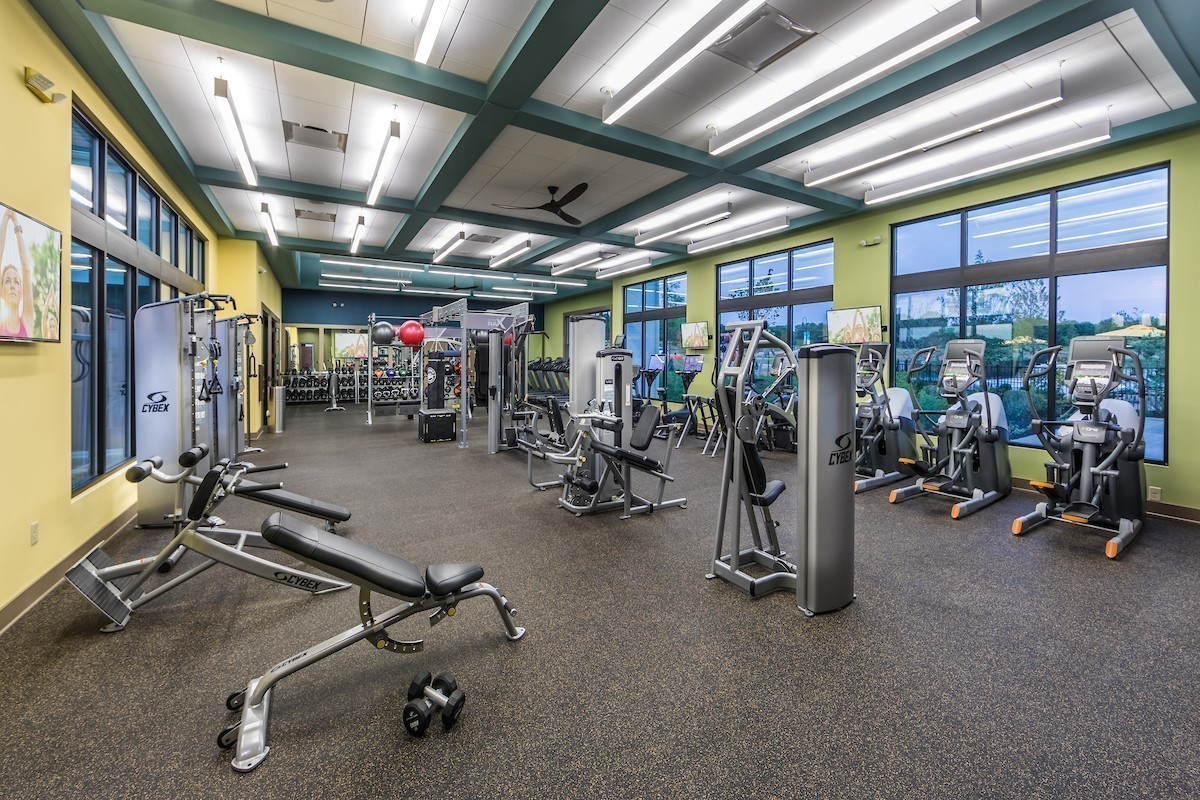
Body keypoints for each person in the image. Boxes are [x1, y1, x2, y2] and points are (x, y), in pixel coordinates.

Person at [0, 208, 35, 339]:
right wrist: (5, 219)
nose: (12, 285)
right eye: (7, 281)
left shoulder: (27, 320)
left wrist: (16, 223)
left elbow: (26, 270)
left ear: (22, 292)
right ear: (1, 292)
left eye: (16, 281)